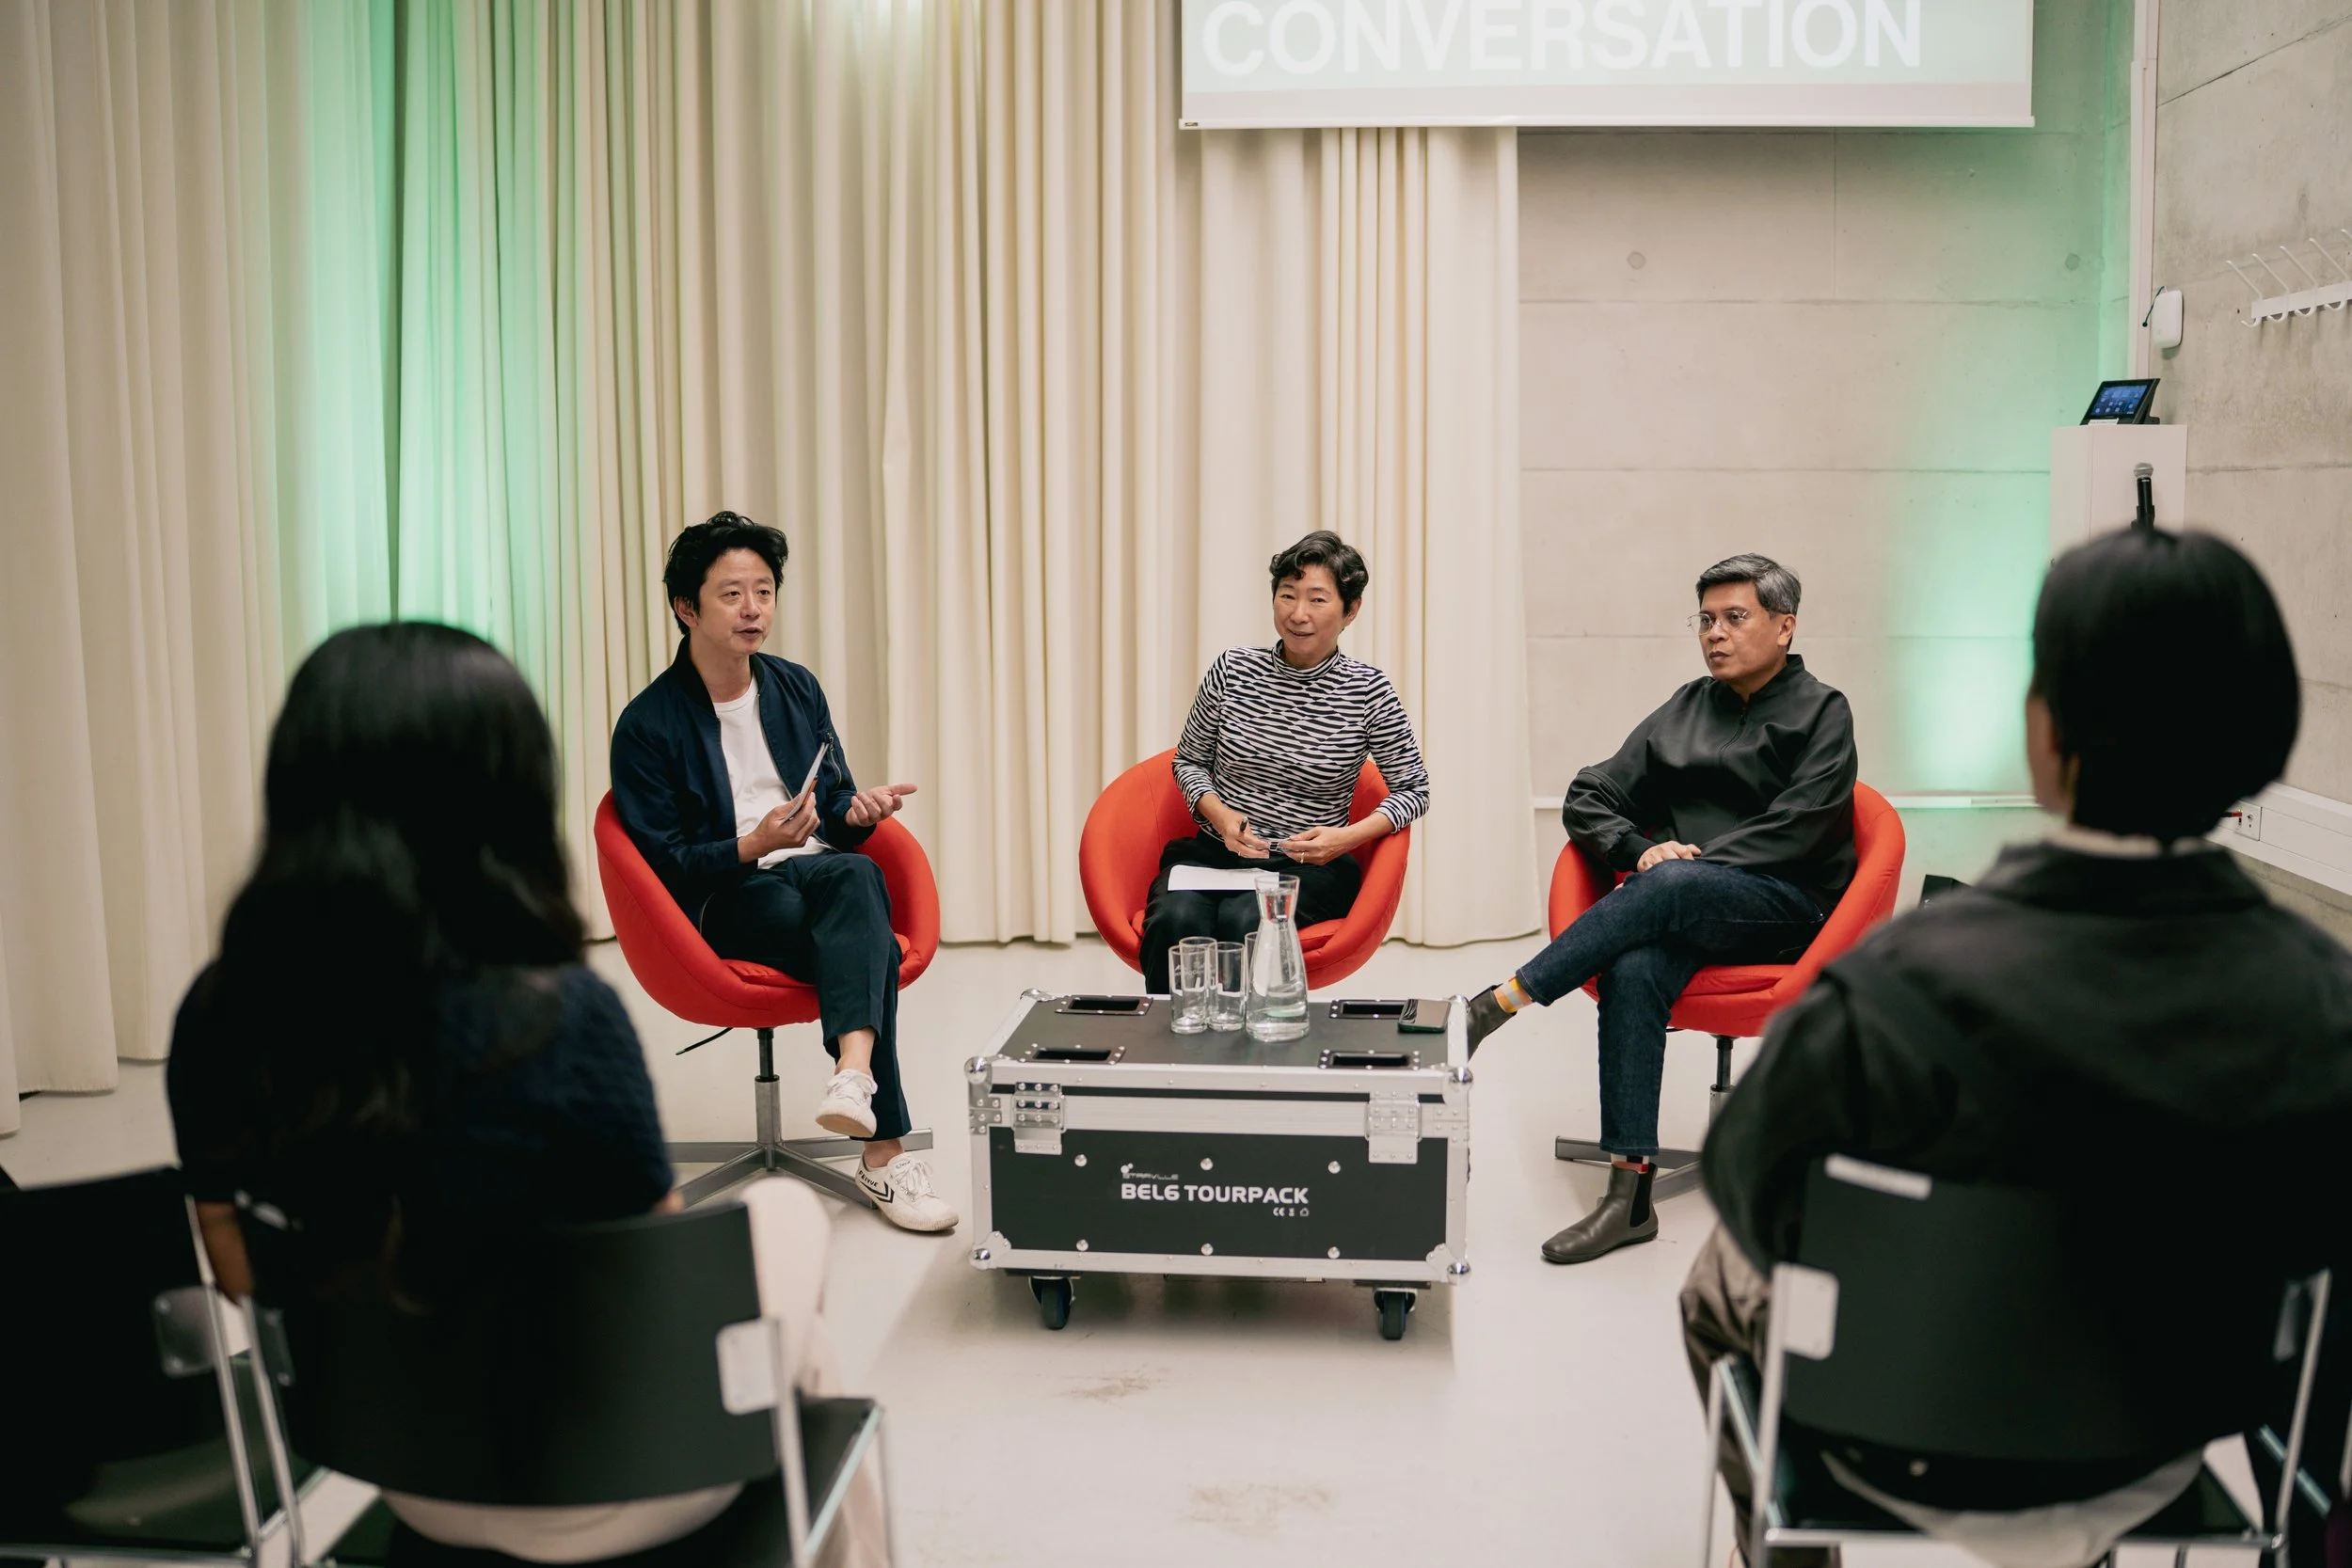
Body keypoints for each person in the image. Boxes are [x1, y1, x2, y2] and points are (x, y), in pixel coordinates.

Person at [1689, 526, 2352, 1568]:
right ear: (2263, 740)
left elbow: (1750, 1189)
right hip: (2162, 1443)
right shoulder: (2326, 1002)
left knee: (1712, 1281)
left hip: (1895, 1436)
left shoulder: (1889, 983)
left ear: (2044, 731)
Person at [165, 624, 884, 1566]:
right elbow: (651, 1295)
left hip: (407, 1471)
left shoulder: (221, 1013)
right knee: (788, 1226)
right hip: (621, 1479)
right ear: (506, 794)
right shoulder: (558, 1017)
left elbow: (240, 1267)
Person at [1466, 553, 1856, 1265]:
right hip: (1683, 905)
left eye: (1735, 617)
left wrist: (1685, 867)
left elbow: (1800, 825)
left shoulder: (1823, 711)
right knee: (1636, 968)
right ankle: (1629, 1196)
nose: (1715, 633)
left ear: (1784, 626)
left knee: (1673, 886)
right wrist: (1638, 849)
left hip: (1788, 908)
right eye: (1705, 619)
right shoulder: (1686, 705)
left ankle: (1504, 999)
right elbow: (1591, 794)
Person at [610, 513, 954, 1234]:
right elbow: (663, 862)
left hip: (813, 873)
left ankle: (856, 1083)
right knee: (871, 944)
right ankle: (881, 1149)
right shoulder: (648, 724)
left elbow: (830, 804)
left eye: (763, 591)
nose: (752, 609)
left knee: (858, 881)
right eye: (731, 593)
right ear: (686, 607)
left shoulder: (795, 687)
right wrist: (749, 843)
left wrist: (859, 813)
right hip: (724, 895)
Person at [1140, 531, 1430, 991]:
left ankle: (1250, 1054)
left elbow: (1415, 791)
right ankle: (1175, 1052)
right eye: (1287, 596)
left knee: (1247, 919)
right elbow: (1189, 761)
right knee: (1176, 921)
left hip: (1307, 868)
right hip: (1214, 855)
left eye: (1317, 599)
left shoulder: (1367, 691)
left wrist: (1344, 839)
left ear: (1350, 611)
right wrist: (1218, 813)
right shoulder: (1232, 670)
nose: (1298, 614)